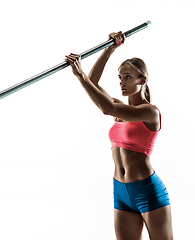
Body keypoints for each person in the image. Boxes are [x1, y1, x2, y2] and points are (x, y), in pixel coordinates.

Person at [65, 31, 173, 240]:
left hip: (147, 190)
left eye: (128, 77)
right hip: (120, 190)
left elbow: (105, 108)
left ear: (143, 79)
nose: (122, 82)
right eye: (120, 77)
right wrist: (109, 49)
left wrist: (80, 75)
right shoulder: (120, 108)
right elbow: (94, 85)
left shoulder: (149, 112)